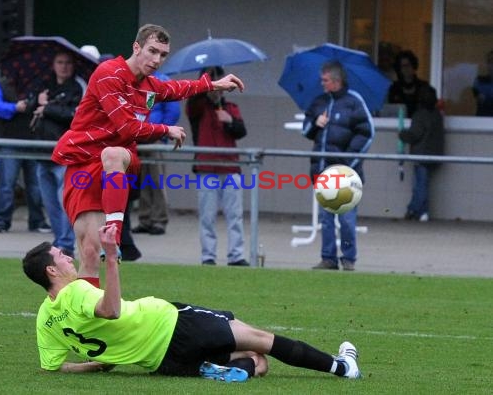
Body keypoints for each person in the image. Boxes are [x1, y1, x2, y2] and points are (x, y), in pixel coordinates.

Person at [22, 224, 362, 381]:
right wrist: (111, 257)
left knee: (258, 362)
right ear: (52, 270)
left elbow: (53, 367)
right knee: (262, 340)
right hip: (172, 324)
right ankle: (342, 367)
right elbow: (111, 311)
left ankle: (220, 370)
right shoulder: (77, 291)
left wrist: (97, 364)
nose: (67, 257)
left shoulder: (44, 319)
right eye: (61, 256)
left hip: (160, 362)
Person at [51, 24, 245, 288]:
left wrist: (213, 83)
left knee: (113, 153)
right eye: (152, 51)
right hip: (83, 160)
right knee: (87, 250)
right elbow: (128, 127)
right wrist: (167, 129)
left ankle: (115, 238)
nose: (157, 60)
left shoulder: (150, 85)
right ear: (136, 47)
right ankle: (87, 315)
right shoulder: (109, 73)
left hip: (116, 161)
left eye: (163, 55)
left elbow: (176, 88)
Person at [302, 61, 374, 271]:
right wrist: (316, 124)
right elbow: (306, 131)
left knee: (347, 220)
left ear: (336, 80)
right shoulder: (318, 103)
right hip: (323, 171)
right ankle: (328, 258)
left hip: (346, 174)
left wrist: (347, 163)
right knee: (326, 219)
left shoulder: (354, 102)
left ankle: (349, 258)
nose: (321, 83)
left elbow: (367, 133)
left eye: (324, 80)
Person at [186, 66, 248, 266]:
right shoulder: (197, 108)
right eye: (214, 86)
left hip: (230, 168)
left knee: (235, 216)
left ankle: (236, 255)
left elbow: (240, 131)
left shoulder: (231, 108)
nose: (217, 91)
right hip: (207, 169)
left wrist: (229, 122)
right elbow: (193, 101)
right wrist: (206, 82)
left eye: (221, 86)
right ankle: (208, 256)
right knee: (207, 216)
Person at [31, 51, 82, 257]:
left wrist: (47, 107)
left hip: (65, 153)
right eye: (60, 62)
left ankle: (65, 243)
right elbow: (28, 106)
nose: (64, 66)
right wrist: (38, 101)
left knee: (64, 200)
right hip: (43, 151)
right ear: (53, 65)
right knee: (49, 201)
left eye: (68, 63)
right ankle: (59, 239)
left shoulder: (76, 88)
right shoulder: (43, 85)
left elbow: (73, 117)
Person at [0, 77, 50, 234]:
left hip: (33, 140)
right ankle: (1, 221)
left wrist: (43, 105)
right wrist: (14, 107)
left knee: (35, 185)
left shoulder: (37, 85)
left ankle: (37, 220)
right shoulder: (0, 85)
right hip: (10, 141)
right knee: (7, 184)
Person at [132, 71, 181, 236]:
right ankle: (145, 219)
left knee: (156, 180)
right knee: (143, 180)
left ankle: (159, 220)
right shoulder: (136, 80)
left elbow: (173, 110)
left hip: (155, 139)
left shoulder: (163, 81)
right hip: (139, 138)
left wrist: (161, 131)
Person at [399, 85, 444, 222]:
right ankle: (423, 213)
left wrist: (402, 135)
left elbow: (414, 135)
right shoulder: (437, 115)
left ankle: (413, 209)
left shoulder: (420, 115)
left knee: (420, 185)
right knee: (422, 185)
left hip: (421, 154)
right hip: (435, 154)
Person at [387, 50, 430, 118]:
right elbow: (390, 111)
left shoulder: (424, 86)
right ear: (399, 69)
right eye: (403, 66)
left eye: (408, 65)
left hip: (420, 125)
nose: (406, 69)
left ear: (414, 66)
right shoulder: (394, 88)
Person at [472, 49, 493, 117]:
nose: (492, 65)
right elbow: (481, 99)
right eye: (490, 62)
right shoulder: (479, 81)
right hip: (482, 122)